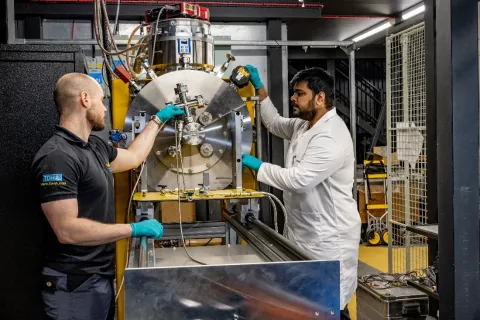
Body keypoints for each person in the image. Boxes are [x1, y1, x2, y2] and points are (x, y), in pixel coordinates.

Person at [31, 73, 185, 320]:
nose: (104, 107)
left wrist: (158, 119)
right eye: (101, 100)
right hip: (74, 284)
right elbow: (66, 230)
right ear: (85, 99)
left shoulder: (95, 146)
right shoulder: (57, 157)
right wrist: (132, 229)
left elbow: (134, 157)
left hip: (98, 276)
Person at [241, 65, 361, 319]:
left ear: (320, 97)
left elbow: (299, 180)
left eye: (299, 93)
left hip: (328, 237)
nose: (294, 99)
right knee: (306, 304)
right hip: (305, 229)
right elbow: (273, 122)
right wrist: (259, 89)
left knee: (329, 305)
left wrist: (257, 165)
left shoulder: (330, 136)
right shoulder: (303, 126)